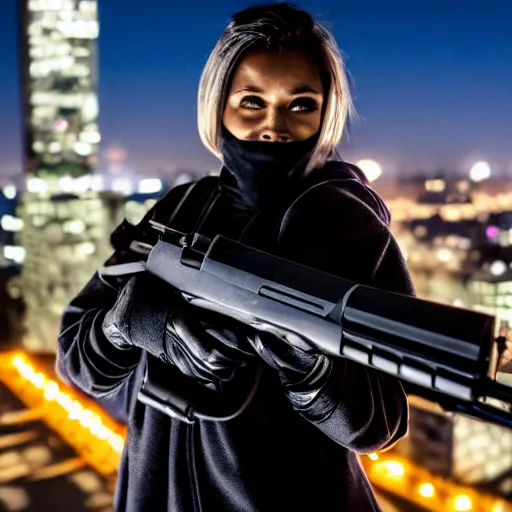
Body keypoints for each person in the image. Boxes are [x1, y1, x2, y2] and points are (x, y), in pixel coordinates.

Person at [56, 4, 416, 511]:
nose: (274, 125)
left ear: (325, 112)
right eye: (251, 100)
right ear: (218, 105)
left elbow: (380, 424)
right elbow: (76, 361)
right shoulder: (181, 207)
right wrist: (131, 321)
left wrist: (307, 365)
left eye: (301, 104)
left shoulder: (346, 223)